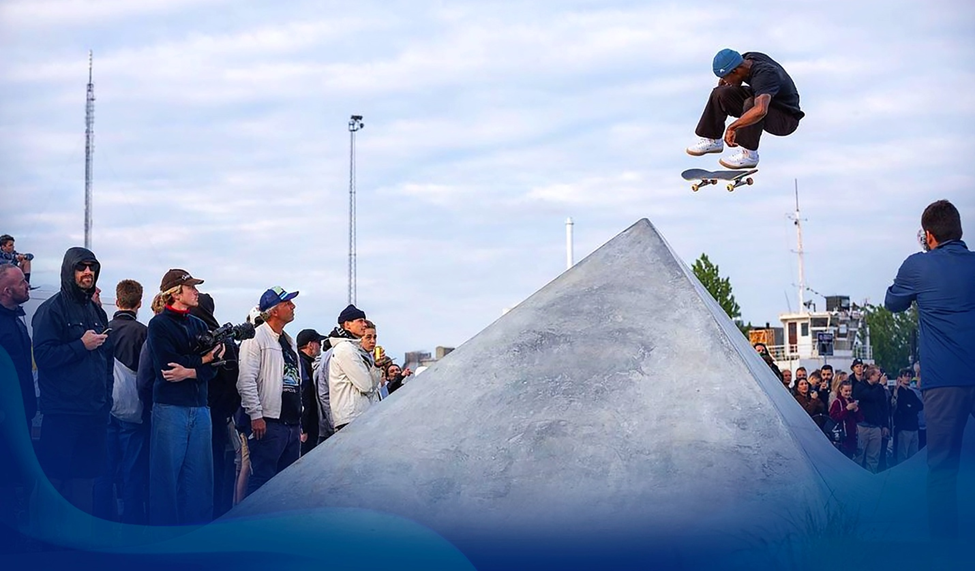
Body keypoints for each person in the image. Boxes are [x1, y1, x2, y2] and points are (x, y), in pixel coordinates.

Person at [885, 199, 975, 539]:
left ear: (928, 235)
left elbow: (892, 303)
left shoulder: (917, 266)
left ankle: (945, 550)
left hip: (943, 384)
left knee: (942, 471)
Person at [31, 248, 113, 516]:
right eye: (81, 267)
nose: (87, 272)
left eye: (91, 267)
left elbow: (105, 361)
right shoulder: (50, 310)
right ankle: (46, 545)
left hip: (95, 412)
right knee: (54, 480)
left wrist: (106, 401)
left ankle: (81, 542)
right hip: (63, 413)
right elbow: (43, 356)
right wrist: (80, 345)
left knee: (85, 480)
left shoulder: (97, 312)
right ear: (70, 271)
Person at [147, 269, 224, 525]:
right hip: (171, 408)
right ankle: (163, 537)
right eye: (191, 287)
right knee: (165, 479)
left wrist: (191, 370)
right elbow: (167, 367)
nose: (196, 292)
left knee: (201, 479)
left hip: (200, 407)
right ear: (176, 292)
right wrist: (203, 360)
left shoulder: (199, 324)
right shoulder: (159, 324)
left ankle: (196, 538)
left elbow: (214, 370)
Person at [686, 49, 804, 169]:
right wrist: (720, 97)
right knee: (720, 93)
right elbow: (724, 80)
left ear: (735, 71)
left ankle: (749, 155)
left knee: (752, 103)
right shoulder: (746, 59)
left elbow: (761, 110)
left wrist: (733, 127)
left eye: (727, 78)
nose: (726, 81)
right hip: (766, 102)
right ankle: (713, 140)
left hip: (785, 118)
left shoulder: (765, 74)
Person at [93, 279, 149, 524]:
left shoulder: (103, 331)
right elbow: (147, 374)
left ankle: (102, 520)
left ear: (117, 301)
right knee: (132, 472)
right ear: (139, 303)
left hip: (106, 408)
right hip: (133, 410)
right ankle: (132, 523)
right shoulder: (143, 332)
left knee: (104, 470)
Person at [237, 286, 302, 497]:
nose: (293, 306)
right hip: (268, 423)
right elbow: (246, 379)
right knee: (262, 481)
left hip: (290, 423)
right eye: (287, 303)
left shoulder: (288, 341)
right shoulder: (256, 338)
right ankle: (250, 526)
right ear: (274, 311)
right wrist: (256, 415)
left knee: (286, 483)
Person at [189, 293, 240, 519]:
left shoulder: (195, 336)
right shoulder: (224, 339)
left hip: (197, 410)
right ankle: (217, 515)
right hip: (218, 416)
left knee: (194, 472)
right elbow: (233, 380)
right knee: (216, 469)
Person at [0, 264, 35, 534]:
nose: (27, 285)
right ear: (6, 290)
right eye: (22, 282)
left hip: (22, 410)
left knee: (14, 474)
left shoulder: (17, 319)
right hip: (4, 415)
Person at [328, 304, 379, 431]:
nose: (364, 325)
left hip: (356, 415)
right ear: (347, 325)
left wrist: (376, 366)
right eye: (360, 321)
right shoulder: (346, 348)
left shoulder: (352, 347)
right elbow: (366, 386)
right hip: (351, 418)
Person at [852, 365, 890, 473]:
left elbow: (884, 406)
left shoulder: (879, 388)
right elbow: (870, 396)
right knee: (859, 457)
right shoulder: (860, 386)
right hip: (862, 426)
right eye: (878, 375)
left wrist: (885, 425)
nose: (880, 377)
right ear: (871, 375)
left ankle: (872, 478)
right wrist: (881, 385)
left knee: (873, 457)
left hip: (876, 427)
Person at [297, 328, 326, 456]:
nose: (320, 346)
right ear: (310, 345)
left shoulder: (304, 363)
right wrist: (304, 427)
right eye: (318, 343)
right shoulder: (302, 364)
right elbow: (304, 395)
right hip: (306, 426)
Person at [890, 367, 923, 465]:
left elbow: (920, 406)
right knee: (902, 455)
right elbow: (901, 407)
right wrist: (911, 407)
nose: (908, 378)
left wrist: (910, 407)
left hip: (914, 426)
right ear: (900, 378)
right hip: (903, 427)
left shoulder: (911, 392)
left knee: (913, 454)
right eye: (905, 376)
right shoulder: (898, 391)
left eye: (909, 376)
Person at [829, 381, 863, 459]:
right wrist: (846, 409)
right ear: (841, 390)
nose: (848, 393)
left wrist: (856, 410)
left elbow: (860, 419)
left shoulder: (852, 401)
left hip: (852, 435)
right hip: (842, 437)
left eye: (850, 391)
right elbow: (834, 418)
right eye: (846, 391)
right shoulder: (837, 402)